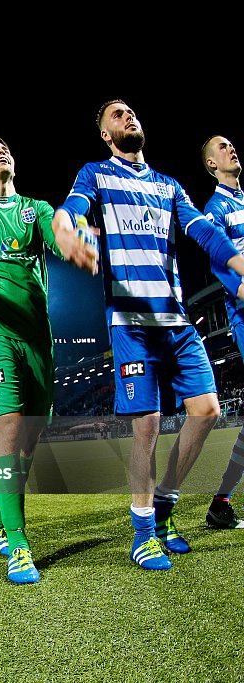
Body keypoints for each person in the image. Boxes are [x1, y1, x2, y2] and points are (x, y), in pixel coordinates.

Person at [53, 100, 244, 570]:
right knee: (147, 427)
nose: (129, 117)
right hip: (131, 323)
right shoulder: (95, 173)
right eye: (117, 115)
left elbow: (206, 235)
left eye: (132, 112)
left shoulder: (168, 184)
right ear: (105, 134)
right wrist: (67, 229)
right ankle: (143, 533)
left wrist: (240, 266)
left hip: (176, 321)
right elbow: (72, 210)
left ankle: (163, 506)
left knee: (206, 411)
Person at [0, 137, 98, 584]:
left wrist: (74, 242)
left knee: (29, 441)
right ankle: (19, 545)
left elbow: (60, 232)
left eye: (4, 146)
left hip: (38, 338)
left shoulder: (36, 209)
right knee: (7, 430)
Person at [200, 134, 244, 530]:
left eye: (232, 145)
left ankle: (221, 501)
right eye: (223, 147)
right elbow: (221, 263)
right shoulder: (215, 209)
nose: (232, 149)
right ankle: (221, 500)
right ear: (212, 164)